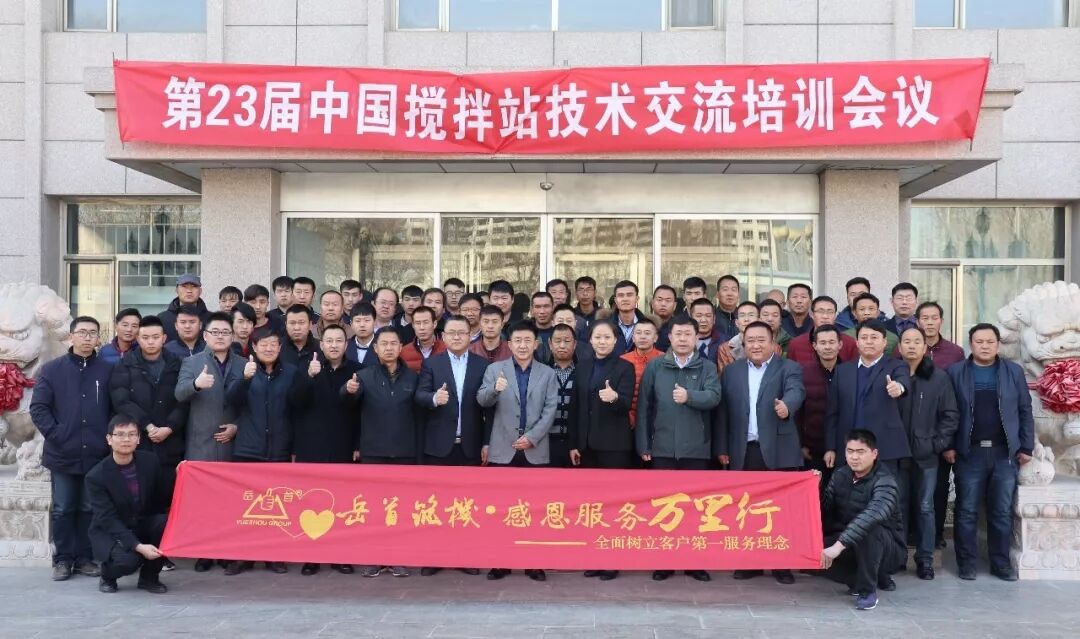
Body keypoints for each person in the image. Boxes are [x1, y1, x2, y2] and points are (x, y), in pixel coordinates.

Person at [715, 321, 805, 585]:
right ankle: (750, 562)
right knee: (746, 509)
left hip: (779, 449)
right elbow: (723, 412)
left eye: (760, 340)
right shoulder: (732, 371)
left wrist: (787, 406)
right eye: (750, 341)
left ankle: (781, 565)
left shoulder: (788, 368)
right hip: (744, 449)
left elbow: (796, 391)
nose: (755, 345)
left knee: (780, 510)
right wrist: (722, 447)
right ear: (743, 343)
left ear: (773, 342)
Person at [635, 315, 721, 583]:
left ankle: (694, 562)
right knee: (665, 508)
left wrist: (689, 396)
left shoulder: (707, 367)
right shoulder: (656, 366)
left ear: (697, 337)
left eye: (688, 334)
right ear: (669, 337)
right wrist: (643, 444)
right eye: (678, 334)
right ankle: (665, 562)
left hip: (696, 449)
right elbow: (644, 408)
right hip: (662, 448)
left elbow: (715, 397)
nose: (683, 339)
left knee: (695, 509)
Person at [947, 323, 1034, 582]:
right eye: (979, 341)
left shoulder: (1013, 372)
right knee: (966, 511)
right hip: (969, 453)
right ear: (970, 344)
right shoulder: (956, 372)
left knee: (1001, 511)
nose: (985, 346)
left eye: (990, 342)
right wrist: (949, 445)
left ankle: (1000, 563)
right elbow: (948, 412)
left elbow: (1024, 409)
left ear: (998, 344)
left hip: (1004, 454)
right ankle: (967, 563)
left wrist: (1026, 445)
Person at [30, 315, 114, 582]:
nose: (87, 337)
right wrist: (57, 434)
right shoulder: (52, 370)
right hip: (62, 452)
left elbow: (115, 408)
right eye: (82, 332)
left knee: (89, 508)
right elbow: (38, 408)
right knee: (63, 508)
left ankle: (85, 558)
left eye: (93, 333)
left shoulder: (107, 370)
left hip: (96, 452)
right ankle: (63, 560)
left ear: (98, 338)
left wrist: (107, 438)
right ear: (71, 336)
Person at [477, 321, 559, 582]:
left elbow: (550, 409)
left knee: (534, 510)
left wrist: (532, 438)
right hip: (503, 449)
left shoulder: (547, 373)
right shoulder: (494, 369)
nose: (522, 346)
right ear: (509, 344)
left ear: (536, 344)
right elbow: (482, 400)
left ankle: (533, 562)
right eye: (517, 341)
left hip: (535, 450)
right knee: (502, 509)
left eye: (527, 341)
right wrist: (495, 389)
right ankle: (501, 561)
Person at [414, 315, 489, 577]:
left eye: (462, 333)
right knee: (436, 504)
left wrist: (486, 442)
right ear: (443, 337)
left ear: (471, 336)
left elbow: (488, 409)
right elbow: (419, 395)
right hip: (439, 446)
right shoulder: (432, 364)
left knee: (466, 505)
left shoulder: (482, 365)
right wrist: (434, 398)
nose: (457, 337)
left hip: (469, 445)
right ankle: (435, 556)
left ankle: (464, 556)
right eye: (452, 333)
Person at [345, 326, 422, 579]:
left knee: (401, 509)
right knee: (374, 509)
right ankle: (374, 558)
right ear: (376, 348)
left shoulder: (413, 377)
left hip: (404, 452)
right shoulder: (363, 376)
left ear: (401, 347)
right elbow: (349, 406)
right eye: (384, 344)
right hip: (373, 452)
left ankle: (398, 558)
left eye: (393, 343)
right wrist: (348, 391)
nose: (389, 348)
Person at [224, 327, 300, 575]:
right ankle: (242, 556)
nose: (268, 348)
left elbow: (298, 407)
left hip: (279, 448)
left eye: (273, 344)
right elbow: (231, 399)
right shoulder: (243, 368)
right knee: (245, 508)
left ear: (280, 347)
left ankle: (273, 556)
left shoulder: (291, 372)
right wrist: (245, 379)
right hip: (248, 448)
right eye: (263, 344)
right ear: (254, 347)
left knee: (276, 508)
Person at [174, 312, 245, 572]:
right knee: (203, 500)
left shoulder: (244, 364)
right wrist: (196, 384)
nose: (220, 337)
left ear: (233, 336)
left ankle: (226, 550)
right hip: (201, 442)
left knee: (230, 500)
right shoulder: (192, 363)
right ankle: (204, 552)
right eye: (215, 332)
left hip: (232, 443)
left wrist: (237, 426)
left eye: (225, 332)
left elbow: (253, 403)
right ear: (205, 335)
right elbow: (179, 394)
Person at [568, 322, 636, 581]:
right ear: (590, 340)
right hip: (587, 447)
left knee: (613, 506)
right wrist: (574, 444)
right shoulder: (582, 366)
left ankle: (611, 560)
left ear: (616, 340)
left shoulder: (624, 367)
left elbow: (627, 404)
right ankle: (594, 557)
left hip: (614, 447)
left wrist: (615, 398)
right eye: (598, 337)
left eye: (607, 337)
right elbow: (575, 408)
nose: (602, 341)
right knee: (592, 506)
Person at [290, 324, 360, 577]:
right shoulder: (305, 367)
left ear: (346, 344)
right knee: (312, 502)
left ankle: (340, 555)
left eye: (338, 341)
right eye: (329, 340)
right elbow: (294, 403)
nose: (333, 345)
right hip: (312, 445)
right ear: (321, 344)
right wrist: (309, 377)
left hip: (343, 444)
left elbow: (361, 411)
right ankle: (312, 556)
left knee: (342, 504)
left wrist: (358, 444)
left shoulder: (356, 370)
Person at [897, 326, 959, 580]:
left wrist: (936, 444)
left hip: (926, 456)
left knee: (925, 507)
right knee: (898, 506)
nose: (911, 346)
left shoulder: (938, 377)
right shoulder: (891, 375)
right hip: (897, 455)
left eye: (917, 342)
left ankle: (925, 559)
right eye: (907, 341)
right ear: (899, 347)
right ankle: (897, 556)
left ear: (925, 347)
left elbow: (950, 415)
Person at [820, 429, 906, 612]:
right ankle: (858, 579)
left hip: (886, 548)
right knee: (810, 549)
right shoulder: (840, 475)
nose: (854, 457)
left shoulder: (886, 481)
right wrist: (814, 486)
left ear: (874, 454)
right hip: (849, 543)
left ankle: (867, 591)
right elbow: (823, 512)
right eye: (850, 451)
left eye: (860, 452)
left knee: (870, 529)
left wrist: (838, 546)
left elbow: (873, 515)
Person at [108, 315, 187, 508]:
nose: (150, 342)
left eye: (155, 337)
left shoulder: (178, 364)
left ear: (164, 338)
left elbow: (185, 401)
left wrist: (170, 427)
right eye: (145, 337)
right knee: (139, 499)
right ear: (137, 338)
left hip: (171, 443)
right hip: (139, 441)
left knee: (170, 500)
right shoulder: (125, 364)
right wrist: (147, 425)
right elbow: (121, 400)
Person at [85, 416, 171, 594]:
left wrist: (182, 473)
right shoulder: (96, 476)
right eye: (120, 434)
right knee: (129, 561)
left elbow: (162, 497)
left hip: (141, 522)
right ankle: (107, 575)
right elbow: (107, 519)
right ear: (109, 439)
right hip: (111, 530)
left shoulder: (150, 461)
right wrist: (138, 547)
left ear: (139, 438)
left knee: (165, 524)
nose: (126, 439)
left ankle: (149, 578)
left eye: (132, 434)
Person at [825, 320, 911, 476]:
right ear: (857, 342)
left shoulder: (896, 366)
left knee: (884, 490)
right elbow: (833, 413)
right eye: (864, 338)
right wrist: (830, 447)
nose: (869, 342)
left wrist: (898, 387)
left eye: (874, 337)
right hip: (849, 449)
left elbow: (903, 381)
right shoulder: (842, 371)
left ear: (884, 342)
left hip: (884, 447)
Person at [915, 301, 965, 548]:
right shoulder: (908, 348)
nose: (929, 322)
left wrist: (948, 442)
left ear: (941, 321)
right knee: (915, 490)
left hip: (942, 434)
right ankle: (915, 536)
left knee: (939, 489)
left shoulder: (955, 353)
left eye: (934, 317)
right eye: (925, 318)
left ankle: (935, 536)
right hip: (915, 433)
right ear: (917, 321)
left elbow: (958, 400)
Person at [796, 325, 844, 484]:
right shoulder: (802, 372)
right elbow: (798, 413)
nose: (827, 347)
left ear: (840, 344)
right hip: (812, 449)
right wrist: (800, 445)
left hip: (844, 448)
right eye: (822, 343)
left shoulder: (850, 371)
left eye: (832, 342)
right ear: (814, 346)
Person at [787, 295, 859, 367]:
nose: (825, 316)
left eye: (830, 312)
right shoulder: (796, 344)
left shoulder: (849, 343)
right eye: (820, 311)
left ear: (835, 316)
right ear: (812, 314)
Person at [547, 323, 579, 468]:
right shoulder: (542, 372)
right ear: (550, 344)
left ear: (575, 344)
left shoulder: (583, 372)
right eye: (557, 341)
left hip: (576, 444)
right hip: (546, 443)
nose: (562, 345)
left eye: (567, 341)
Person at [620, 318, 663, 427]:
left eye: (647, 333)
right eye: (638, 333)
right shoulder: (623, 361)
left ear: (655, 338)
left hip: (657, 421)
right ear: (633, 338)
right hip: (627, 421)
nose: (642, 337)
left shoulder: (665, 360)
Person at [716, 301, 767, 376]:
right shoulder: (724, 348)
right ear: (737, 323)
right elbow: (726, 377)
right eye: (742, 315)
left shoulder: (773, 347)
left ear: (759, 321)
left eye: (751, 315)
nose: (746, 319)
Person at [158, 274, 211, 343]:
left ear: (200, 291)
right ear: (177, 290)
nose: (189, 291)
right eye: (184, 286)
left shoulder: (211, 319)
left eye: (194, 286)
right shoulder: (162, 319)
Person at [401, 306, 447, 374]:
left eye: (426, 322)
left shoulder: (447, 349)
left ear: (434, 324)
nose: (422, 327)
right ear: (413, 325)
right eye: (418, 323)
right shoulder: (404, 352)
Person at [606, 280, 645, 359]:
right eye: (621, 295)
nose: (625, 299)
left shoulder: (648, 326)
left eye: (629, 295)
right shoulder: (605, 326)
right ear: (616, 300)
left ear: (637, 299)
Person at [345, 302, 379, 369]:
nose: (362, 325)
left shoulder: (383, 346)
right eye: (358, 321)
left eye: (367, 320)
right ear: (351, 324)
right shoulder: (345, 346)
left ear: (375, 322)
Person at [688, 298, 722, 363]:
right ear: (691, 318)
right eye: (699, 316)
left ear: (714, 319)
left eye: (708, 316)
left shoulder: (724, 342)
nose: (703, 320)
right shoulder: (682, 341)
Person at [649, 284, 678, 351]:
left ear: (675, 305)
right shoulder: (642, 325)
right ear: (652, 303)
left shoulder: (680, 327)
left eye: (668, 300)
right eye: (659, 300)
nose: (663, 304)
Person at [714, 274, 741, 341]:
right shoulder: (711, 317)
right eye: (725, 289)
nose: (730, 294)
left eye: (734, 290)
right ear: (717, 294)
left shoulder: (744, 317)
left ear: (738, 294)